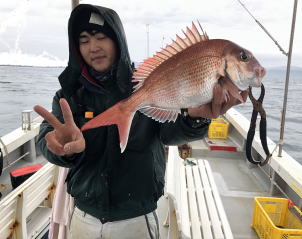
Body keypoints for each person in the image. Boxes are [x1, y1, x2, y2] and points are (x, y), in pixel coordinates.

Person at [34, 4, 247, 239]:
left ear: (118, 40)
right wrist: (61, 149)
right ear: (76, 48)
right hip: (84, 215)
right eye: (84, 40)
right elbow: (47, 137)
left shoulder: (143, 83)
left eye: (101, 37)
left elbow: (169, 134)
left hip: (137, 218)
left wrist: (194, 118)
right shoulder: (68, 96)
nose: (93, 47)